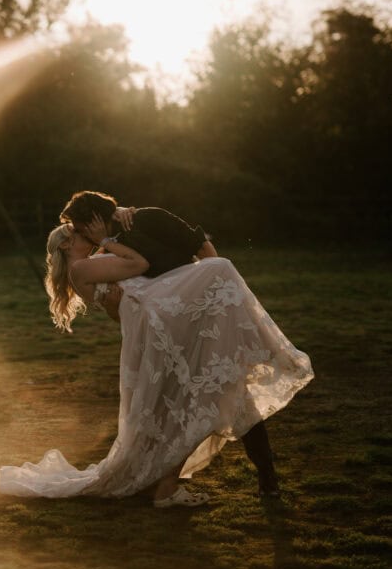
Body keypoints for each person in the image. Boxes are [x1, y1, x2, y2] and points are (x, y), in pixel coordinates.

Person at [0, 197, 314, 507]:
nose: (84, 236)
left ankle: (169, 482)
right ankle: (167, 485)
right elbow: (134, 275)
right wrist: (108, 242)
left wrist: (115, 227)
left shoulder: (105, 251)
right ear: (67, 246)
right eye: (77, 234)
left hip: (164, 318)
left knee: (200, 395)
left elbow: (126, 288)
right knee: (219, 279)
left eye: (81, 229)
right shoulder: (83, 268)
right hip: (160, 321)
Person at [61, 191, 284, 497]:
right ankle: (162, 481)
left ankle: (266, 476)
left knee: (235, 390)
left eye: (81, 227)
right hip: (174, 337)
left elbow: (202, 247)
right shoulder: (105, 256)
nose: (80, 233)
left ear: (96, 221)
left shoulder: (149, 218)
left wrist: (220, 301)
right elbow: (123, 311)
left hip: (204, 322)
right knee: (184, 405)